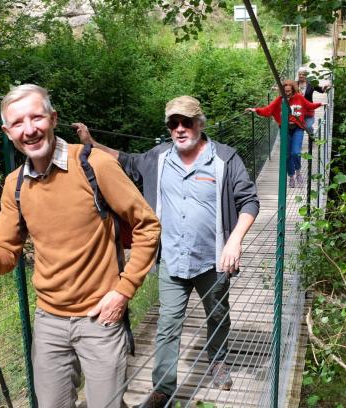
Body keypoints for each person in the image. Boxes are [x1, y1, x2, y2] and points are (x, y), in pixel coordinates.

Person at [0, 84, 161, 408]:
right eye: (18, 123)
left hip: (102, 317)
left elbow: (148, 225)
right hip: (49, 323)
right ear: (7, 131)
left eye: (36, 117)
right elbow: (4, 257)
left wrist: (124, 290)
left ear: (53, 118)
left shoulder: (94, 165)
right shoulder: (15, 185)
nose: (29, 129)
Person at [74, 96, 260, 408]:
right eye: (173, 123)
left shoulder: (224, 159)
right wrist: (92, 143)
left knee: (217, 314)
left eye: (186, 122)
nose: (180, 128)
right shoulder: (159, 157)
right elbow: (127, 162)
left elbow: (249, 200)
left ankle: (218, 360)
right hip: (173, 260)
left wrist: (235, 240)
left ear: (200, 123)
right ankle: (163, 389)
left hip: (213, 260)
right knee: (168, 325)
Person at [246, 80, 323, 188]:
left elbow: (309, 105)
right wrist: (255, 110)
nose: (287, 93)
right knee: (287, 155)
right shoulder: (280, 100)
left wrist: (320, 104)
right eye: (285, 91)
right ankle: (291, 177)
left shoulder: (299, 97)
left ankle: (298, 172)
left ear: (293, 90)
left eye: (289, 91)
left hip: (297, 128)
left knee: (295, 152)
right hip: (285, 129)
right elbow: (268, 110)